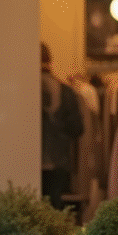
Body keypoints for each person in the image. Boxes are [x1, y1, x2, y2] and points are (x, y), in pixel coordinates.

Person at [40, 43, 84, 210]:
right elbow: (77, 128)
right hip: (59, 162)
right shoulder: (65, 91)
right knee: (55, 207)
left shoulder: (23, 90)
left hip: (30, 158)